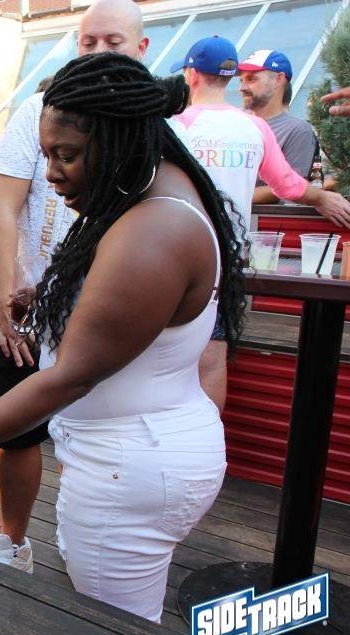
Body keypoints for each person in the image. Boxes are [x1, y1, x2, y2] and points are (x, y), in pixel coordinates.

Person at [0, 52, 247, 624]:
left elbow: (70, 377)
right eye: (47, 154)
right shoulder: (148, 193)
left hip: (130, 470)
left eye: (67, 155)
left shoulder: (154, 231)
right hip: (139, 456)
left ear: (119, 138)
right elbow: (125, 315)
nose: (50, 174)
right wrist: (46, 300)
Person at [0, 0, 147, 573]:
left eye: (113, 42)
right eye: (87, 41)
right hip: (31, 308)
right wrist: (8, 302)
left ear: (141, 49)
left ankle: (94, 544)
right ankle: (15, 543)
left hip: (106, 308)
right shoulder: (37, 109)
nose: (98, 53)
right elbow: (3, 207)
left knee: (97, 430)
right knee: (19, 434)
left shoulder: (147, 122)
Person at [170, 35, 350, 411]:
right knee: (212, 356)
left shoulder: (175, 124)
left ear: (191, 74)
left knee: (161, 354)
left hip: (174, 254)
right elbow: (288, 185)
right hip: (227, 259)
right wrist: (321, 197)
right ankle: (206, 438)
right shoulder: (254, 127)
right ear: (229, 77)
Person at [237, 49, 321, 204]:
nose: (242, 87)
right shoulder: (232, 122)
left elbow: (293, 188)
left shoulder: (297, 130)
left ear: (278, 79)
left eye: (251, 79)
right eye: (241, 80)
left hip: (261, 218)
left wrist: (223, 197)